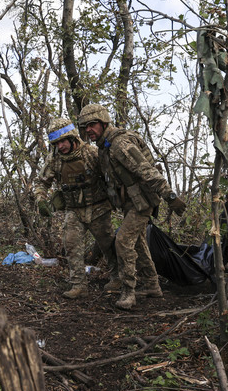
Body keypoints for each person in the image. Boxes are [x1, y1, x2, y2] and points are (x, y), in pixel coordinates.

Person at [78, 104, 187, 310]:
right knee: (138, 242)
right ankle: (152, 285)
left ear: (103, 122)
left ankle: (129, 291)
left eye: (92, 125)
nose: (88, 131)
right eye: (85, 127)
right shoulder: (104, 147)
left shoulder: (119, 144)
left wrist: (170, 196)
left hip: (142, 200)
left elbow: (146, 171)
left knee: (123, 240)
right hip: (130, 201)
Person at [33, 117, 118, 299]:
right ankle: (78, 284)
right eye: (57, 143)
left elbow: (111, 176)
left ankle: (118, 278)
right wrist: (41, 199)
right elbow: (41, 182)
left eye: (63, 141)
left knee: (108, 245)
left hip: (98, 207)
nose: (61, 146)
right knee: (71, 245)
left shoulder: (91, 154)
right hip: (74, 210)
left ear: (72, 138)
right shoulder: (55, 160)